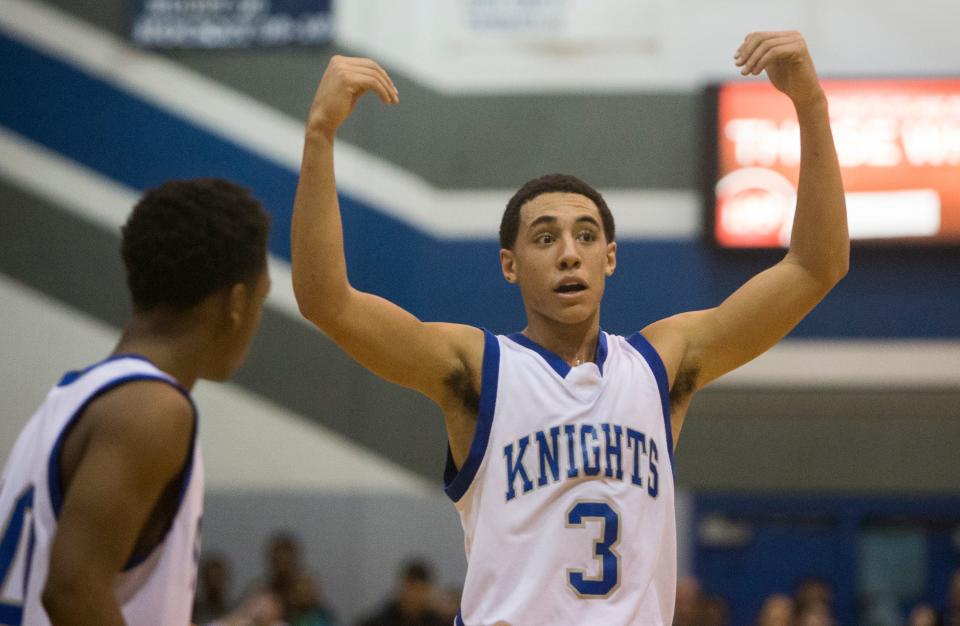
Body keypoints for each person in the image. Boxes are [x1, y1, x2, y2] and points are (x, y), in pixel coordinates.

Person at [291, 31, 847, 626]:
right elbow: (328, 301)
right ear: (510, 264)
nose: (568, 254)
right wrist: (320, 135)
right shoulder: (479, 369)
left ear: (609, 257)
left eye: (586, 236)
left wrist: (812, 105)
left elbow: (817, 265)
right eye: (545, 237)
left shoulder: (661, 362)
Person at [0, 178, 271, 625]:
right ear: (236, 302)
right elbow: (72, 593)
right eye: (262, 297)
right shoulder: (153, 410)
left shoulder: (72, 397)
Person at [355, 560, 448, 626]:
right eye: (410, 589)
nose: (413, 597)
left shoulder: (441, 622)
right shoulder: (376, 622)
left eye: (419, 591)